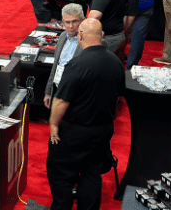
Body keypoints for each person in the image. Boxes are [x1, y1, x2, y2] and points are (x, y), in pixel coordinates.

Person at [47, 19, 125, 210]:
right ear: (102, 36)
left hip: (74, 131)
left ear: (80, 35)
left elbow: (61, 100)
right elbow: (118, 96)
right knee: (91, 173)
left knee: (60, 173)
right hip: (102, 129)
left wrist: (54, 125)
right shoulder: (116, 62)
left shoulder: (77, 64)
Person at [43, 4, 85, 109]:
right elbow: (55, 66)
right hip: (58, 90)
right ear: (63, 22)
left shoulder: (88, 42)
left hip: (77, 96)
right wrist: (48, 91)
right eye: (67, 22)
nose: (71, 26)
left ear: (83, 20)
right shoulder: (62, 37)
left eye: (75, 21)